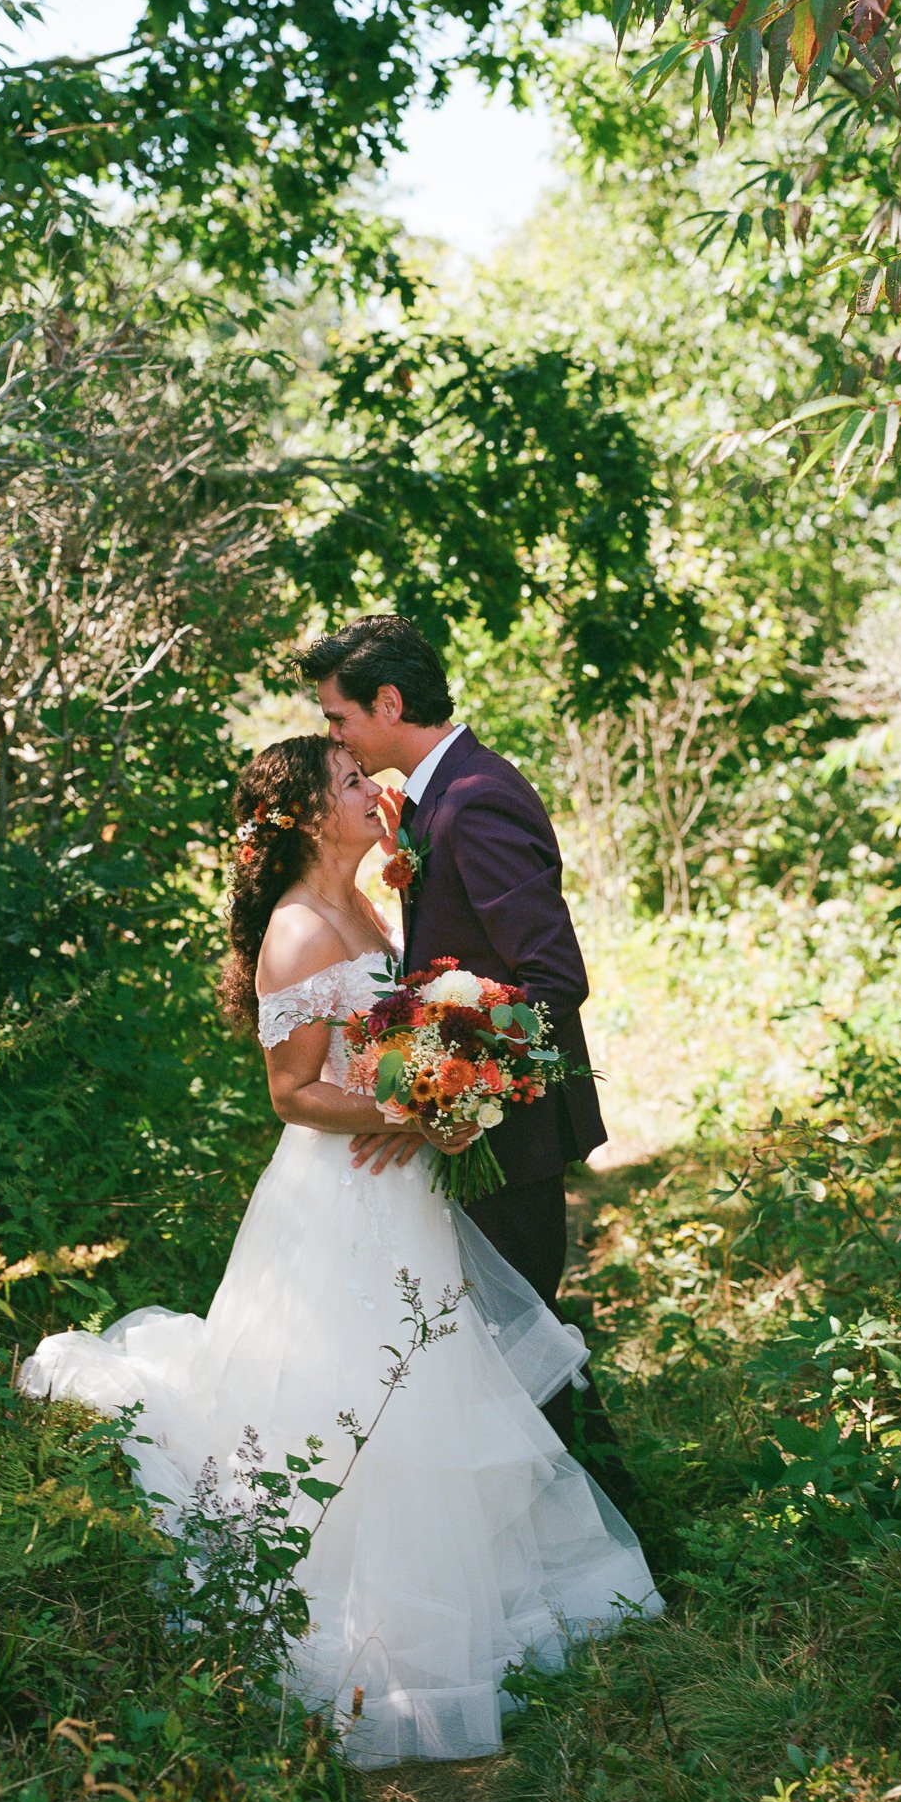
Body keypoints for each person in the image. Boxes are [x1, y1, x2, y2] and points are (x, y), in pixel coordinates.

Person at [18, 729, 661, 1770]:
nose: (375, 788)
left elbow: (390, 1038)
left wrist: (445, 1095)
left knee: (435, 1374)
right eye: (353, 781)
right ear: (314, 814)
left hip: (402, 1182)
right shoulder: (299, 929)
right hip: (338, 1198)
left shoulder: (368, 901)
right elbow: (290, 1090)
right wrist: (408, 1112)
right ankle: (379, 1638)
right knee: (359, 1392)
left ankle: (473, 1604)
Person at [295, 614, 639, 1507]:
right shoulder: (434, 798)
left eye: (339, 720)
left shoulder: (474, 798)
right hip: (476, 1119)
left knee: (525, 1332)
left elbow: (552, 980)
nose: (338, 739)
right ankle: (575, 1520)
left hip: (508, 1123)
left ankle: (598, 1523)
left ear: (389, 702)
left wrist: (454, 1092)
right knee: (504, 1328)